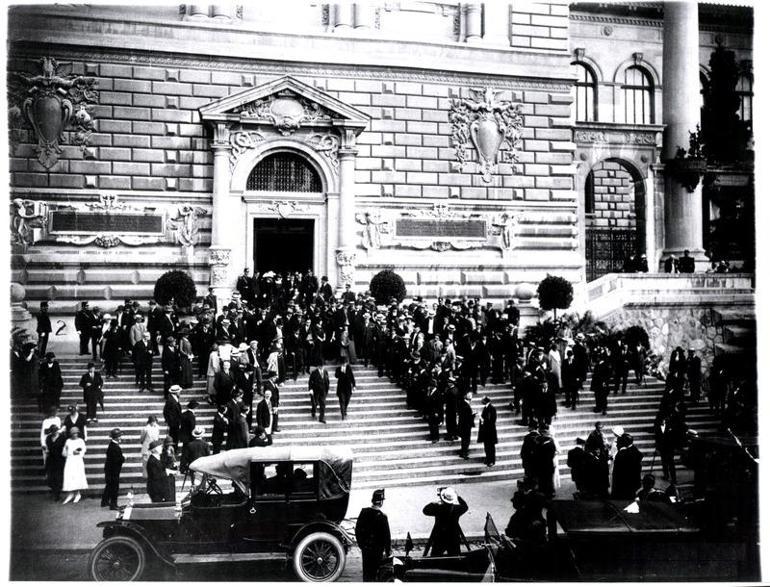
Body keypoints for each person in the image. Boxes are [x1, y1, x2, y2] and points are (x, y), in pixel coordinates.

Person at [355, 488, 391, 582]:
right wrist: (388, 551)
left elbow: (358, 530)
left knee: (366, 573)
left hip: (366, 549)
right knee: (376, 574)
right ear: (381, 502)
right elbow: (387, 537)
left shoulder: (364, 512)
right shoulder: (383, 517)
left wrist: (361, 545)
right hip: (377, 551)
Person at [422, 487, 469, 556]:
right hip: (453, 537)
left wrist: (433, 503)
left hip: (440, 537)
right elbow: (465, 506)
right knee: (455, 558)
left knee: (435, 557)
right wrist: (457, 496)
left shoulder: (437, 508)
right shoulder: (457, 509)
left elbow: (425, 510)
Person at [611, 433, 643, 500]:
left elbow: (618, 473)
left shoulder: (623, 454)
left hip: (624, 486)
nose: (617, 445)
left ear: (624, 443)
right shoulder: (634, 451)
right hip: (631, 485)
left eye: (619, 442)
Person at [61, 427, 88, 504]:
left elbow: (83, 450)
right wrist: (66, 450)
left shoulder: (80, 441)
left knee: (76, 476)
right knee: (69, 476)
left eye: (76, 433)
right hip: (69, 461)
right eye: (73, 433)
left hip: (77, 460)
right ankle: (71, 494)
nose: (75, 435)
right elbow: (64, 453)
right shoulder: (68, 441)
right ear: (70, 434)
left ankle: (77, 494)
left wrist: (79, 453)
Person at [101, 428, 125, 510]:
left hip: (109, 470)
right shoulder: (114, 447)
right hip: (113, 471)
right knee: (114, 487)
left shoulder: (112, 445)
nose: (121, 437)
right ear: (116, 437)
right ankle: (113, 504)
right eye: (120, 436)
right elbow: (117, 460)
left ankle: (104, 501)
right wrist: (123, 458)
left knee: (109, 485)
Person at [44, 424, 66, 501]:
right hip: (51, 459)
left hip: (60, 460)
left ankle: (57, 494)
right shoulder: (48, 438)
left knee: (59, 477)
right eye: (52, 431)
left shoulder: (62, 437)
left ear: (57, 430)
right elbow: (47, 448)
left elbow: (64, 447)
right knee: (51, 476)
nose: (54, 432)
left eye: (55, 431)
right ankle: (54, 492)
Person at [477, 396, 497, 466]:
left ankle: (492, 460)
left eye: (482, 400)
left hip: (490, 431)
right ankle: (488, 459)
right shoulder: (486, 408)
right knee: (487, 446)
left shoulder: (491, 408)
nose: (481, 401)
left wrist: (482, 419)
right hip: (486, 431)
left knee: (491, 447)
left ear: (485, 401)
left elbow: (492, 420)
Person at [163, 385, 183, 451]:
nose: (180, 393)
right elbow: (166, 412)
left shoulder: (173, 399)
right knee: (174, 437)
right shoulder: (171, 401)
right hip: (174, 424)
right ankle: (174, 450)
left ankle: (174, 449)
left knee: (175, 437)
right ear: (176, 392)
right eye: (179, 392)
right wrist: (170, 422)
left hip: (175, 423)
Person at [457, 391, 474, 460]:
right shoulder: (466, 406)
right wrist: (473, 415)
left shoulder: (463, 403)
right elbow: (467, 417)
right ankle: (464, 453)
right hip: (466, 426)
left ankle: (463, 452)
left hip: (463, 425)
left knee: (464, 440)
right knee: (466, 440)